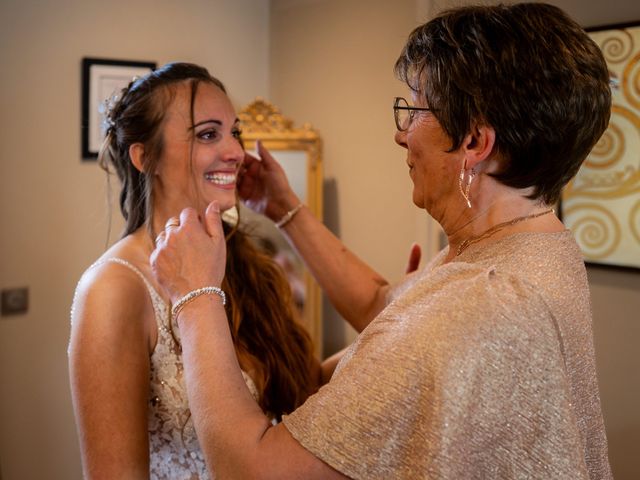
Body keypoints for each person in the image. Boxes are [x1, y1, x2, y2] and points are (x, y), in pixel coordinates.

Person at [150, 3, 613, 479]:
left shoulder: (478, 301)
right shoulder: (532, 244)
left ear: (474, 142)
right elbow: (382, 305)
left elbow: (255, 469)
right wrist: (285, 208)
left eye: (414, 110)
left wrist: (195, 297)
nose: (400, 133)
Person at [68, 62, 320, 479]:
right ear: (144, 157)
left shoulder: (247, 264)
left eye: (234, 132)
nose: (237, 152)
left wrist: (388, 335)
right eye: (208, 134)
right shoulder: (114, 289)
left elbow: (305, 384)